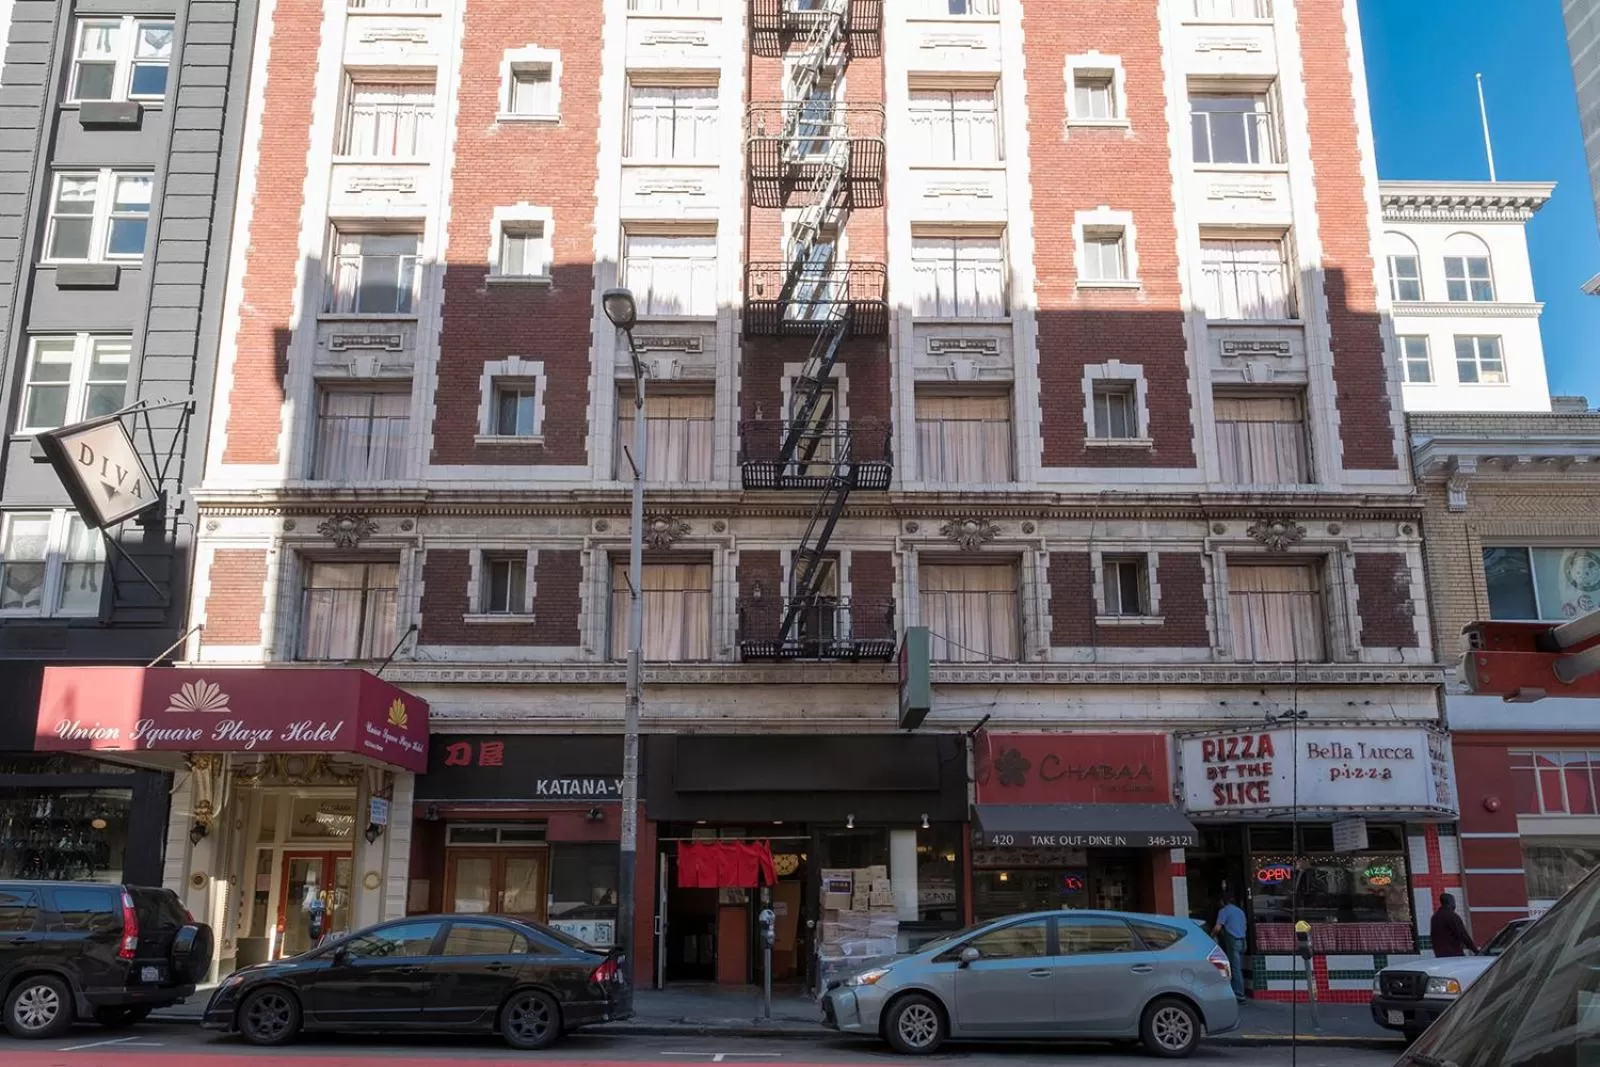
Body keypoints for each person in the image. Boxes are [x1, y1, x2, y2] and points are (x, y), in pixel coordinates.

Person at [1213, 893, 1249, 1003]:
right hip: (1243, 942)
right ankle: (1238, 991)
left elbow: (1218, 927)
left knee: (1235, 969)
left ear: (1222, 902)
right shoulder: (1240, 911)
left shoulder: (1224, 911)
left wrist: (1211, 935)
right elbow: (1244, 926)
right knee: (1238, 968)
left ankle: (1239, 995)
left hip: (1233, 942)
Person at [1430, 892, 1477, 958]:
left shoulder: (1435, 917)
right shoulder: (1452, 916)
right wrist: (1476, 951)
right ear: (1450, 902)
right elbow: (1463, 935)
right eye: (1454, 901)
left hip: (1440, 955)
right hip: (1454, 955)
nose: (1455, 904)